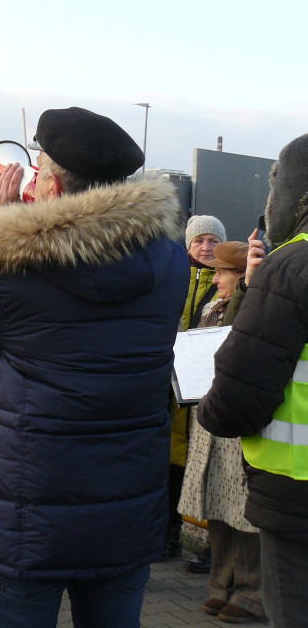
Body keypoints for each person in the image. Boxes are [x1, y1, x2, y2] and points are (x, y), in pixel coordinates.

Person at [0, 106, 188, 628]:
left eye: (38, 172)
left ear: (55, 188)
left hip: (26, 514)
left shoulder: (15, 267)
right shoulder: (170, 261)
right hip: (125, 509)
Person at [198, 133, 308, 628]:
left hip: (296, 497)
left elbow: (238, 396)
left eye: (275, 180)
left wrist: (208, 411)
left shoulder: (292, 267)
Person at [177, 241, 265, 622]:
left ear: (242, 276)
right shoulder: (211, 308)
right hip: (208, 421)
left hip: (236, 424)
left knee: (241, 512)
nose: (215, 279)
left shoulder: (255, 307)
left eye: (223, 273)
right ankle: (221, 585)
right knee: (215, 505)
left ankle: (251, 593)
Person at [167, 215, 228, 559]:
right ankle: (169, 531)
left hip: (204, 383)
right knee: (170, 458)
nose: (206, 248)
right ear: (188, 245)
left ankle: (198, 537)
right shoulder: (174, 278)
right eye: (199, 241)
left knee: (198, 457)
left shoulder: (226, 283)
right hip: (171, 383)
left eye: (213, 241)